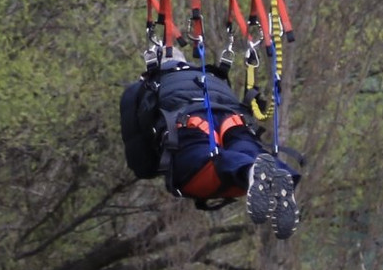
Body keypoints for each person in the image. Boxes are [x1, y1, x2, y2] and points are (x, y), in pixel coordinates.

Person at [120, 45, 300, 239]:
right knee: (245, 147)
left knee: (205, 159)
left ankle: (251, 171)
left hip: (187, 121)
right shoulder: (211, 76)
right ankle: (278, 173)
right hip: (232, 118)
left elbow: (141, 164)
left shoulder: (144, 86)